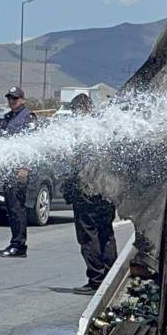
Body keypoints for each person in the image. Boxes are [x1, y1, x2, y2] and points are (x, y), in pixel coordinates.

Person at [64, 93, 118, 294]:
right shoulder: (104, 128)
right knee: (106, 232)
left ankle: (95, 279)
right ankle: (110, 277)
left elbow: (77, 163)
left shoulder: (84, 131)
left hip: (88, 189)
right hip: (107, 190)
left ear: (80, 110)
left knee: (89, 234)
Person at [0, 85, 33, 258]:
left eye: (15, 98)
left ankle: (19, 245)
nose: (11, 101)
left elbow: (32, 143)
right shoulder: (7, 118)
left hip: (19, 169)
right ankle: (16, 241)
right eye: (10, 98)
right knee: (11, 207)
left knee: (18, 207)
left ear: (22, 100)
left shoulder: (28, 117)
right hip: (8, 168)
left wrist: (24, 167)